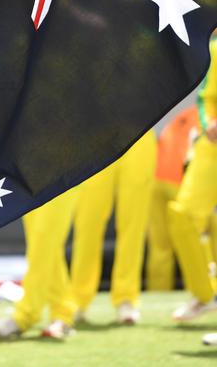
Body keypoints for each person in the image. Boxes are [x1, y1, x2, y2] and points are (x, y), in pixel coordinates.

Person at [70, 131, 157, 324]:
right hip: (96, 135)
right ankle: (78, 297)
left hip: (139, 132)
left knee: (134, 223)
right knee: (87, 221)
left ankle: (126, 297)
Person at [167, 31, 217, 321]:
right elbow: (205, 98)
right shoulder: (214, 48)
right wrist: (209, 122)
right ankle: (206, 294)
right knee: (182, 214)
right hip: (211, 150)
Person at [0, 188, 80, 340]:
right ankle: (63, 314)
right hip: (33, 172)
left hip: (63, 170)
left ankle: (26, 315)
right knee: (44, 246)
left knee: (43, 242)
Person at [146, 106, 200, 291]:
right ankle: (200, 293)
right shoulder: (203, 116)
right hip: (181, 183)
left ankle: (158, 293)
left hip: (157, 178)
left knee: (160, 247)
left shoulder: (187, 113)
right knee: (192, 243)